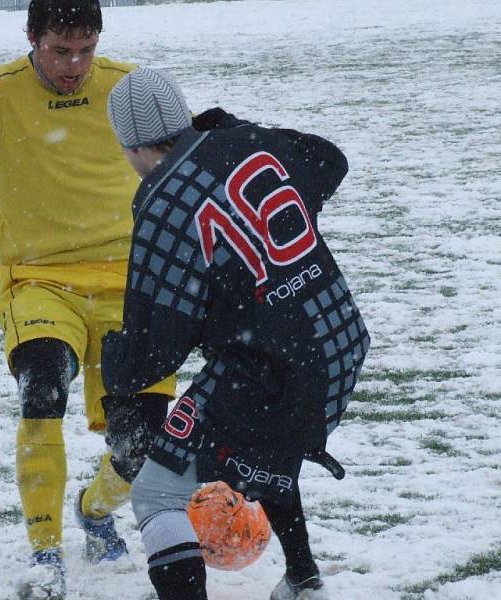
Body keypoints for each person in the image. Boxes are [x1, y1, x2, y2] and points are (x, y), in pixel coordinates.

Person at [0, 3, 175, 599]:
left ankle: (95, 511)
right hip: (38, 279)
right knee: (42, 383)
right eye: (60, 50)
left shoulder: (128, 89)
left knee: (143, 442)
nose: (74, 65)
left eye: (85, 50)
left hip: (131, 282)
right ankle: (45, 556)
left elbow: (191, 160)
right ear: (32, 39)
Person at [101, 68, 371, 600]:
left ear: (128, 145)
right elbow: (328, 160)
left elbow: (156, 345)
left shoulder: (159, 201)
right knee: (267, 443)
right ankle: (303, 582)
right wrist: (238, 132)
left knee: (156, 493)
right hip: (337, 342)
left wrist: (117, 371)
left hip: (268, 365)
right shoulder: (247, 145)